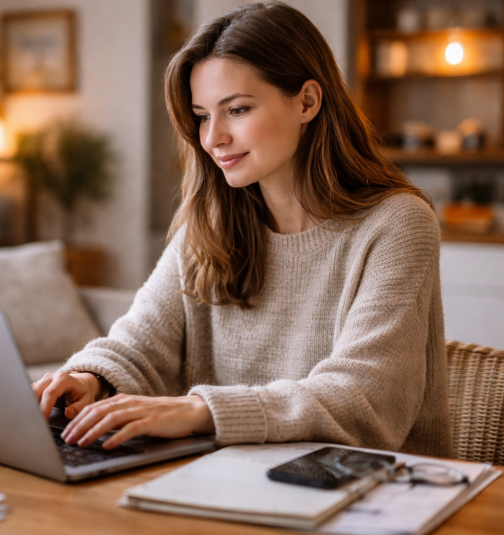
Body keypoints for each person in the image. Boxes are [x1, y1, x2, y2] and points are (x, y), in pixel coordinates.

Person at [32, 1, 452, 458]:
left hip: (372, 484)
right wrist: (89, 378)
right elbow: (139, 344)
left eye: (236, 109)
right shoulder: (210, 222)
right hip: (229, 477)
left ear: (307, 102)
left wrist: (200, 410)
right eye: (203, 115)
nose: (213, 138)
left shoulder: (397, 224)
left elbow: (363, 398)